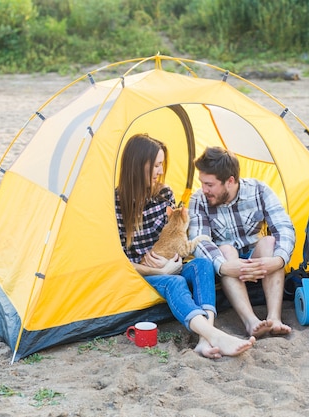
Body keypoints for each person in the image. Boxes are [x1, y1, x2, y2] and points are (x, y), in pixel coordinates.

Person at [115, 134, 255, 358]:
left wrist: (174, 260)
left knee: (202, 264)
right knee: (175, 281)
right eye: (157, 165)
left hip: (174, 262)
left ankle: (204, 338)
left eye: (162, 165)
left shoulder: (164, 193)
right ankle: (214, 334)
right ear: (138, 165)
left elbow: (177, 232)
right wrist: (160, 270)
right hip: (149, 272)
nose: (161, 171)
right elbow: (120, 262)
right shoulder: (116, 205)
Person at [188, 146, 295, 338]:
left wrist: (279, 260)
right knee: (227, 250)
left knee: (271, 242)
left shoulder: (259, 190)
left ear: (230, 181)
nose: (204, 189)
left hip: (257, 259)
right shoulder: (198, 200)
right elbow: (199, 241)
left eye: (210, 185)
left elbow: (284, 228)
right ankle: (250, 321)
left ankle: (274, 318)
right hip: (228, 262)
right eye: (202, 183)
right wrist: (224, 267)